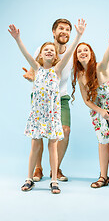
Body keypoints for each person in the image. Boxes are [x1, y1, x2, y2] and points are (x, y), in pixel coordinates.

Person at [8, 19, 86, 193]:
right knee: (35, 144)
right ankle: (30, 177)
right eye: (46, 50)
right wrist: (17, 39)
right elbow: (26, 54)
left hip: (52, 113)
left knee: (53, 145)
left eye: (52, 50)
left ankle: (54, 179)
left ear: (56, 57)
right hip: (37, 114)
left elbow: (70, 51)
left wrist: (79, 35)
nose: (49, 51)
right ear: (41, 55)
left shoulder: (57, 69)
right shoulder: (37, 66)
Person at [71, 29, 109, 188]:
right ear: (76, 57)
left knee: (104, 140)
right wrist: (101, 111)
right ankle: (104, 175)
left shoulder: (99, 67)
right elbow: (86, 100)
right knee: (104, 139)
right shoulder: (80, 75)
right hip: (100, 106)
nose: (83, 52)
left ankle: (103, 177)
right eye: (80, 51)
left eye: (86, 50)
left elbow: (106, 60)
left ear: (91, 54)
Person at [23, 19, 74, 182]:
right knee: (38, 134)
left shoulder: (71, 53)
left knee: (64, 131)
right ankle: (38, 168)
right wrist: (30, 76)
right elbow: (33, 71)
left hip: (61, 96)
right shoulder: (43, 49)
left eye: (67, 29)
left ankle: (55, 168)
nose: (64, 31)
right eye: (61, 28)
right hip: (41, 98)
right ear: (54, 31)